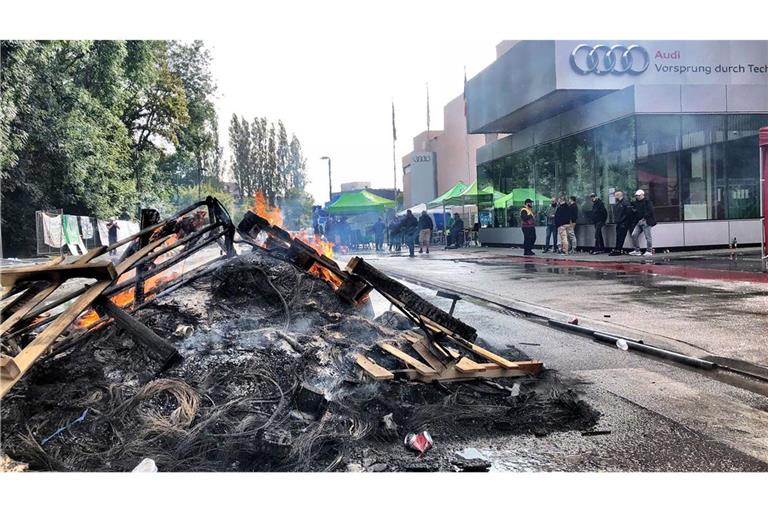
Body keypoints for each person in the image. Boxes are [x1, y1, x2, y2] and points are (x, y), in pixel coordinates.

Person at [629, 189, 657, 256]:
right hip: (639, 221)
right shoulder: (636, 203)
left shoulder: (647, 202)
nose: (637, 197)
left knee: (648, 237)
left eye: (638, 195)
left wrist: (644, 217)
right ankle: (637, 250)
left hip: (646, 221)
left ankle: (649, 250)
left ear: (642, 195)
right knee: (634, 235)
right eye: (636, 196)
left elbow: (651, 211)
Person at [609, 191, 631, 256]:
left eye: (616, 195)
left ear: (619, 195)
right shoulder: (619, 203)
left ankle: (618, 249)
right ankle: (617, 249)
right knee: (618, 236)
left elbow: (627, 214)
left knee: (621, 237)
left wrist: (622, 221)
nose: (615, 197)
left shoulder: (625, 203)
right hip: (619, 222)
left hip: (623, 223)